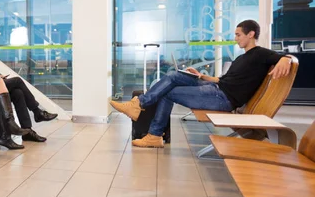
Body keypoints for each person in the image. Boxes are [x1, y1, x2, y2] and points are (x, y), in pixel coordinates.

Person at [111, 20, 296, 148]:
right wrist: (201, 76)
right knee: (174, 76)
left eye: (239, 35)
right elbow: (222, 80)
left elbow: (287, 58)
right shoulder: (242, 58)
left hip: (222, 99)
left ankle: (153, 133)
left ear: (251, 34)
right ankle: (139, 105)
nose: (236, 38)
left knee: (168, 92)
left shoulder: (260, 54)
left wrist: (285, 59)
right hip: (215, 88)